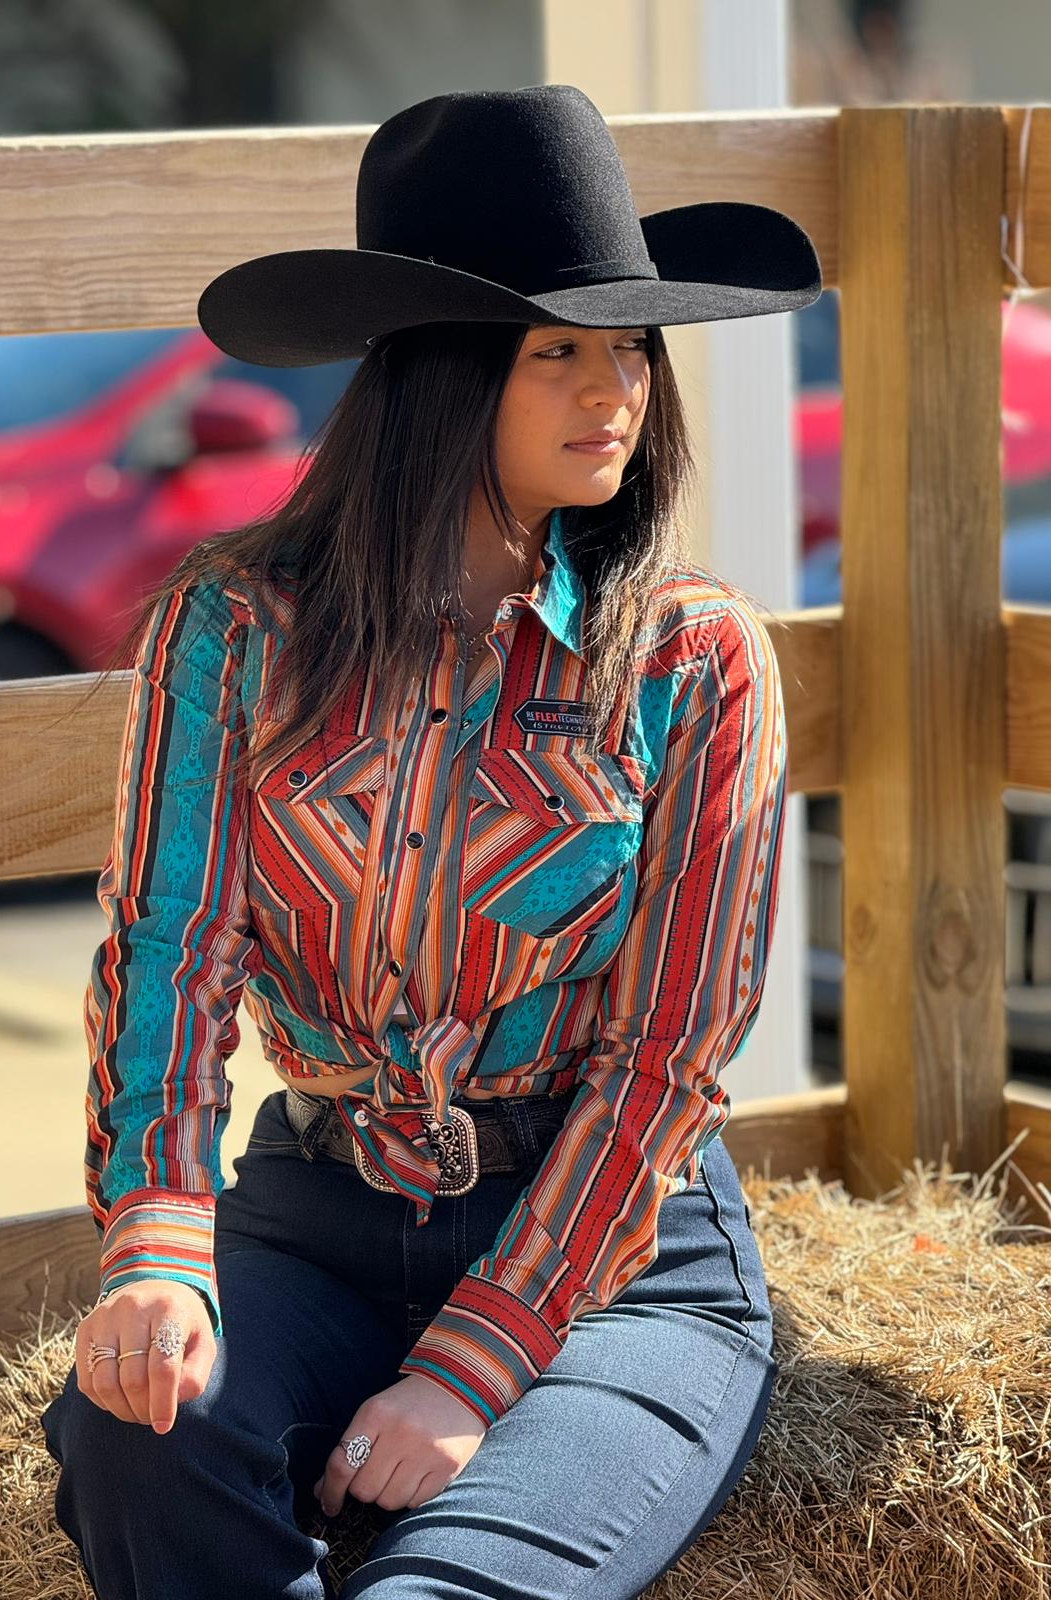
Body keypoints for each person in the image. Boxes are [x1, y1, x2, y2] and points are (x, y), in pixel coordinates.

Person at [40, 82, 820, 1600]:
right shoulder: (236, 627)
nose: (619, 394)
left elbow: (672, 1060)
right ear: (443, 376)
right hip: (317, 1217)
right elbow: (172, 951)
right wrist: (157, 1237)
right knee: (133, 1437)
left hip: (613, 1267)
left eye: (630, 351)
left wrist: (469, 1370)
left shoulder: (690, 660)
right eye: (559, 352)